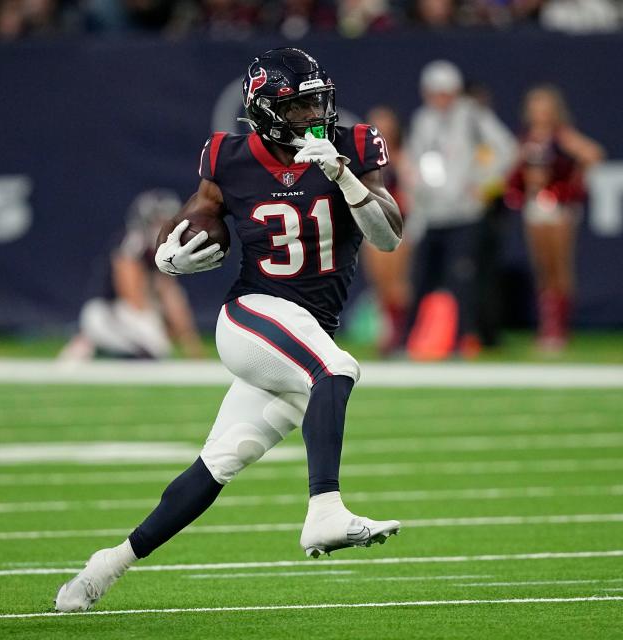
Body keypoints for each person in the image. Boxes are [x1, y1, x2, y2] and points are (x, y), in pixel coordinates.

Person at [55, 47, 403, 612]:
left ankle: (105, 566)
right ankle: (324, 511)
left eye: (317, 101)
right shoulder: (228, 157)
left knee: (221, 461)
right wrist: (174, 253)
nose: (314, 115)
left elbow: (387, 236)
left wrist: (340, 174)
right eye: (298, 106)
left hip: (303, 331)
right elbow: (197, 220)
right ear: (265, 110)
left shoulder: (352, 146)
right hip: (253, 315)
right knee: (335, 368)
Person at [404, 60, 516, 358]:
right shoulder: (423, 120)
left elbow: (506, 148)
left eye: (446, 92)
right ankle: (408, 340)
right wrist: (417, 191)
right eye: (435, 93)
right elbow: (416, 160)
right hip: (431, 214)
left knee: (462, 279)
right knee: (421, 278)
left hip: (465, 214)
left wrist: (485, 183)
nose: (441, 99)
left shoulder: (472, 116)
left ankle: (464, 339)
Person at [506, 84, 604, 351]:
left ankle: (561, 327)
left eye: (545, 109)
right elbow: (511, 165)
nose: (541, 114)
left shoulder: (562, 135)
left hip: (559, 206)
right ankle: (547, 324)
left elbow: (593, 154)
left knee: (560, 266)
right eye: (536, 109)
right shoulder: (526, 139)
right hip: (534, 205)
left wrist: (574, 179)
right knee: (542, 267)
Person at [58, 189, 204, 361]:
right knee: (156, 347)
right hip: (108, 311)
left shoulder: (161, 251)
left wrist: (189, 339)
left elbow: (170, 293)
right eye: (160, 221)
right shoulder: (133, 241)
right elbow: (130, 292)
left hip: (130, 312)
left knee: (156, 348)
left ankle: (103, 347)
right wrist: (151, 322)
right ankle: (91, 340)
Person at [361, 105, 411, 355]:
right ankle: (388, 333)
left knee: (397, 285)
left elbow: (411, 193)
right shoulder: (364, 160)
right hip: (372, 226)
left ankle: (401, 334)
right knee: (380, 286)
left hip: (397, 226)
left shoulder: (402, 158)